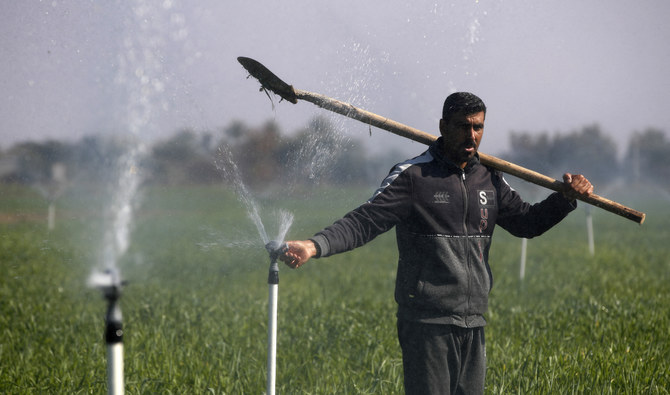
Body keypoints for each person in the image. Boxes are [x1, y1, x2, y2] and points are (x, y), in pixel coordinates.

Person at [278, 92, 594, 394]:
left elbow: (528, 223)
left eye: (478, 127)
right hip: (426, 323)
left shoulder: (490, 178)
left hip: (473, 320)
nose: (472, 135)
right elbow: (365, 221)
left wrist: (565, 199)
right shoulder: (413, 177)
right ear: (443, 127)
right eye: (463, 126)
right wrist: (313, 245)